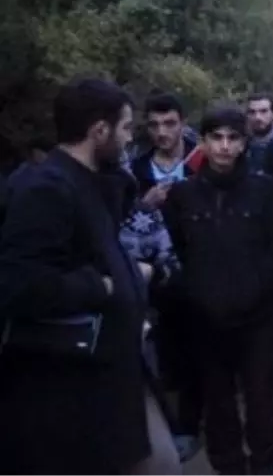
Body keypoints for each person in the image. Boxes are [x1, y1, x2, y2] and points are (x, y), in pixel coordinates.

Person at [0, 78, 181, 476]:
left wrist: (133, 277)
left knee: (163, 463)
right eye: (126, 128)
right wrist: (102, 286)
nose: (131, 138)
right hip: (72, 382)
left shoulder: (93, 182)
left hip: (116, 365)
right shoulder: (44, 188)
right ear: (99, 131)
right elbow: (20, 283)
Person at [162, 107, 273, 476]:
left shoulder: (265, 191)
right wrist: (196, 292)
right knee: (217, 402)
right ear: (202, 142)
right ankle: (228, 466)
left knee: (261, 398)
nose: (224, 146)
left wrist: (258, 287)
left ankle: (265, 464)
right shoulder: (183, 195)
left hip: (257, 319)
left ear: (244, 144)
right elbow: (176, 252)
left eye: (233, 138)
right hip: (204, 320)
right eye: (216, 138)